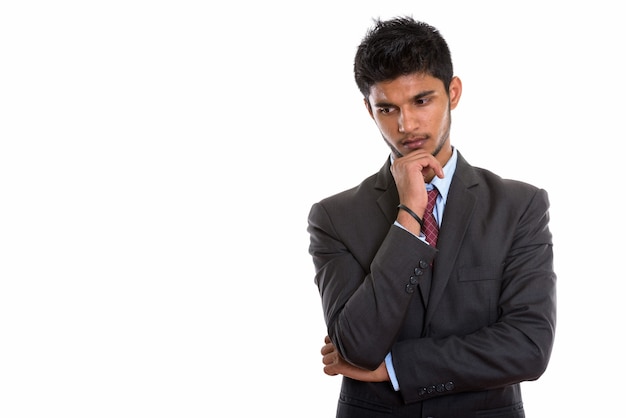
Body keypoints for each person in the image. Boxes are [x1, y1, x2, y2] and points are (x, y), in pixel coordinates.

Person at [307, 16, 556, 417]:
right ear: (369, 110)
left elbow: (528, 348)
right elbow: (355, 348)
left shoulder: (518, 206)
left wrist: (394, 367)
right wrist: (408, 214)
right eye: (387, 108)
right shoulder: (334, 217)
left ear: (453, 92)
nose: (406, 125)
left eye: (421, 101)